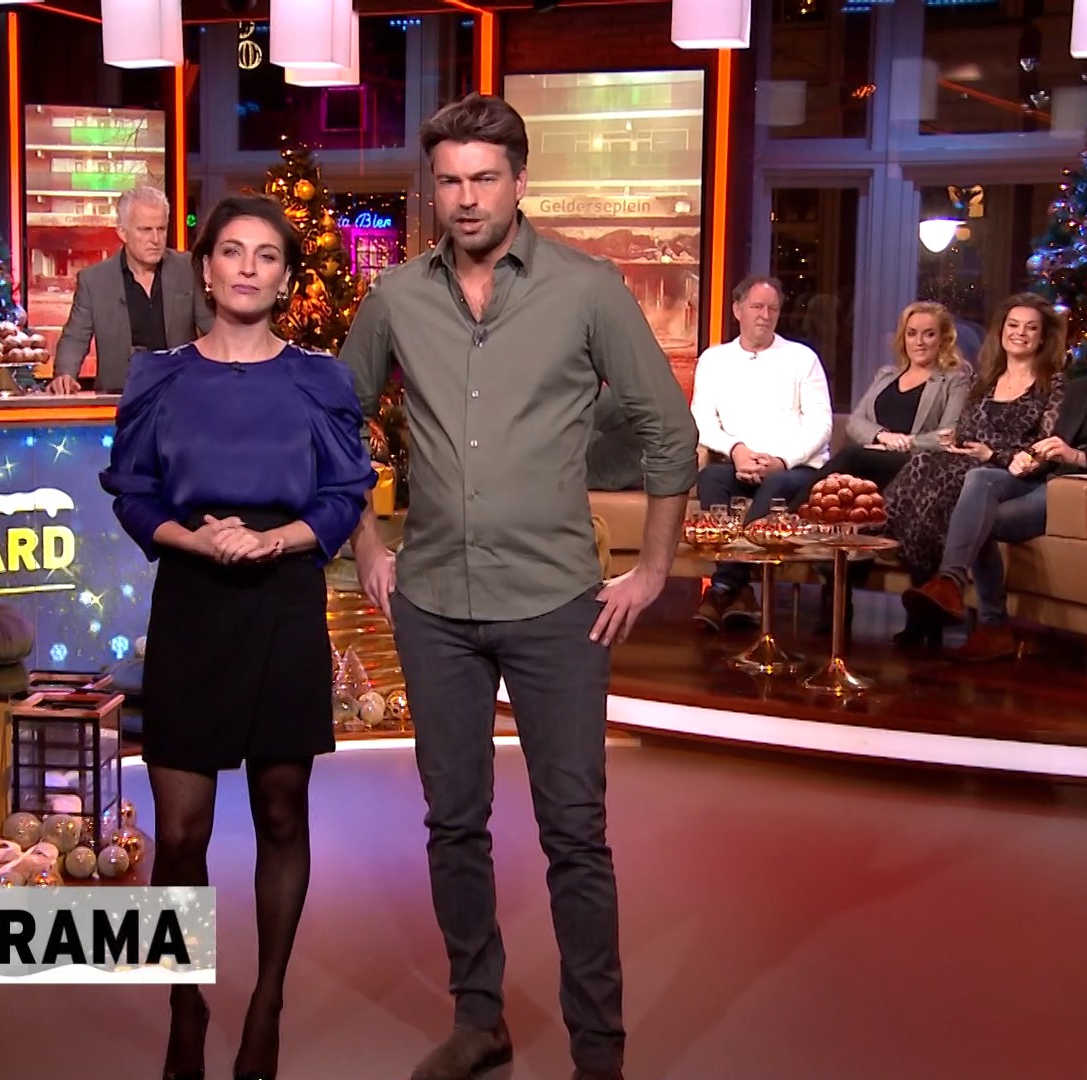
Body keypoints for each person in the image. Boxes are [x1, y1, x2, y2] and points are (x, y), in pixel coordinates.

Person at [341, 93, 697, 1080]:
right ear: (433, 188)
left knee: (575, 834)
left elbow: (670, 430)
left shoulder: (587, 288)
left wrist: (653, 566)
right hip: (433, 608)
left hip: (556, 607)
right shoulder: (396, 297)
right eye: (450, 180)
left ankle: (599, 1056)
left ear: (519, 182)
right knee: (453, 824)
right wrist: (366, 545)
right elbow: (333, 423)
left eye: (485, 178)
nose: (466, 198)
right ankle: (479, 1020)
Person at [99, 194, 374, 1080]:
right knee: (181, 832)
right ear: (206, 270)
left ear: (285, 279)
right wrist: (200, 540)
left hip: (283, 598)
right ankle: (185, 1003)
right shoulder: (159, 377)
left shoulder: (319, 381)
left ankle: (268, 1002)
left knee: (280, 811)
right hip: (193, 601)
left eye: (267, 255)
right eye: (231, 251)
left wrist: (273, 540)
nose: (248, 267)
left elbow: (344, 496)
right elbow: (133, 492)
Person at [907, 297, 1087, 661]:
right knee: (980, 479)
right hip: (1054, 478)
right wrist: (1030, 457)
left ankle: (992, 625)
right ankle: (949, 582)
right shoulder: (1084, 387)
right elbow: (1056, 443)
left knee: (983, 518)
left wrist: (1078, 457)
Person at [884, 293, 1066, 649]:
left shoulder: (1053, 383)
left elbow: (1045, 449)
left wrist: (993, 453)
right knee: (924, 464)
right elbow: (967, 430)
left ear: (1043, 337)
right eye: (1013, 325)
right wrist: (957, 443)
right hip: (973, 465)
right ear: (1001, 331)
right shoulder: (987, 380)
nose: (1020, 333)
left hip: (1018, 477)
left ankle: (947, 582)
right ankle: (926, 582)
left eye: (1031, 328)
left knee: (975, 481)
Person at [688, 276, 832, 630]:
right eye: (756, 307)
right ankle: (741, 592)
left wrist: (781, 461)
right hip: (737, 464)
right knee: (711, 477)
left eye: (772, 308)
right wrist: (736, 450)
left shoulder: (802, 358)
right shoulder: (714, 359)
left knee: (776, 484)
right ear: (737, 310)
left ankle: (723, 587)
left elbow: (821, 426)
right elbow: (701, 420)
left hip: (793, 469)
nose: (765, 315)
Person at [50, 184, 210, 395]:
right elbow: (75, 338)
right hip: (120, 397)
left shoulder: (187, 269)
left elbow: (213, 327)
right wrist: (65, 375)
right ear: (122, 232)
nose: (155, 240)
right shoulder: (94, 280)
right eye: (145, 230)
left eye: (161, 229)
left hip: (180, 395)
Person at [823, 301, 975, 491]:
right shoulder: (886, 375)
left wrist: (903, 443)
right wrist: (882, 436)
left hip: (916, 462)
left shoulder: (955, 380)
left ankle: (795, 508)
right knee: (840, 481)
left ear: (943, 339)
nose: (919, 342)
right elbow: (855, 421)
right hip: (873, 456)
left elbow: (949, 435)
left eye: (929, 334)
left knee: (851, 455)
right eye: (911, 334)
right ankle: (798, 507)